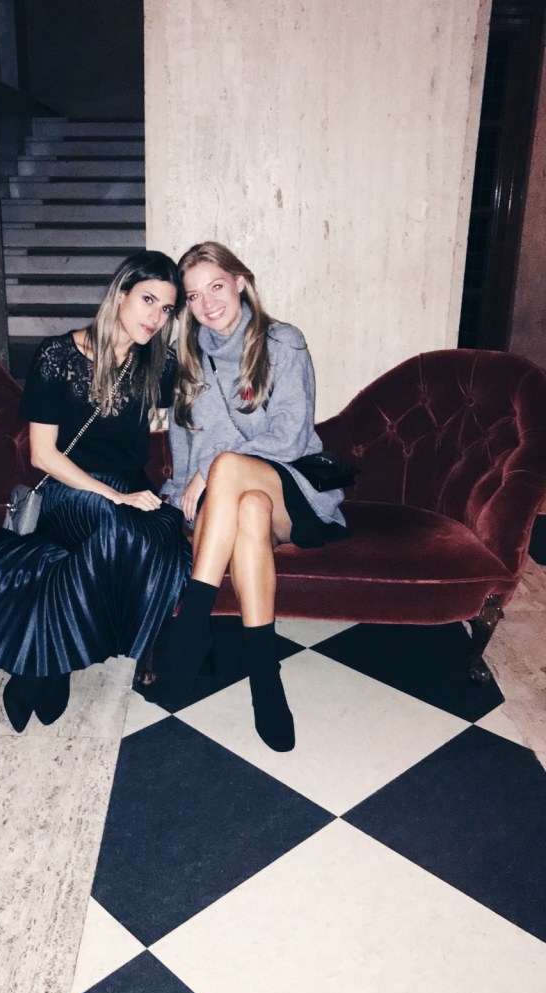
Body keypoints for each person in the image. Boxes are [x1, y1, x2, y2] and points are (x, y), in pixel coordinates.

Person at [0, 251, 191, 732]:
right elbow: (43, 455)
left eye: (166, 309)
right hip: (68, 489)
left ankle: (45, 663)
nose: (155, 317)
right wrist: (112, 497)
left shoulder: (157, 365)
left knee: (153, 532)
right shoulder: (57, 356)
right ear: (120, 294)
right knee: (118, 524)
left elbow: (199, 410)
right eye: (147, 300)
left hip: (130, 488)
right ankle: (50, 664)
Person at [153, 241, 347, 752]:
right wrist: (181, 499)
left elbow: (290, 435)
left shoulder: (282, 342)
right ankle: (266, 679)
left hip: (289, 488)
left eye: (216, 286)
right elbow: (181, 446)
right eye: (194, 296)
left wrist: (212, 472)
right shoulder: (187, 360)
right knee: (249, 508)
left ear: (240, 282)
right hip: (227, 509)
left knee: (236, 476)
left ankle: (190, 628)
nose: (207, 303)